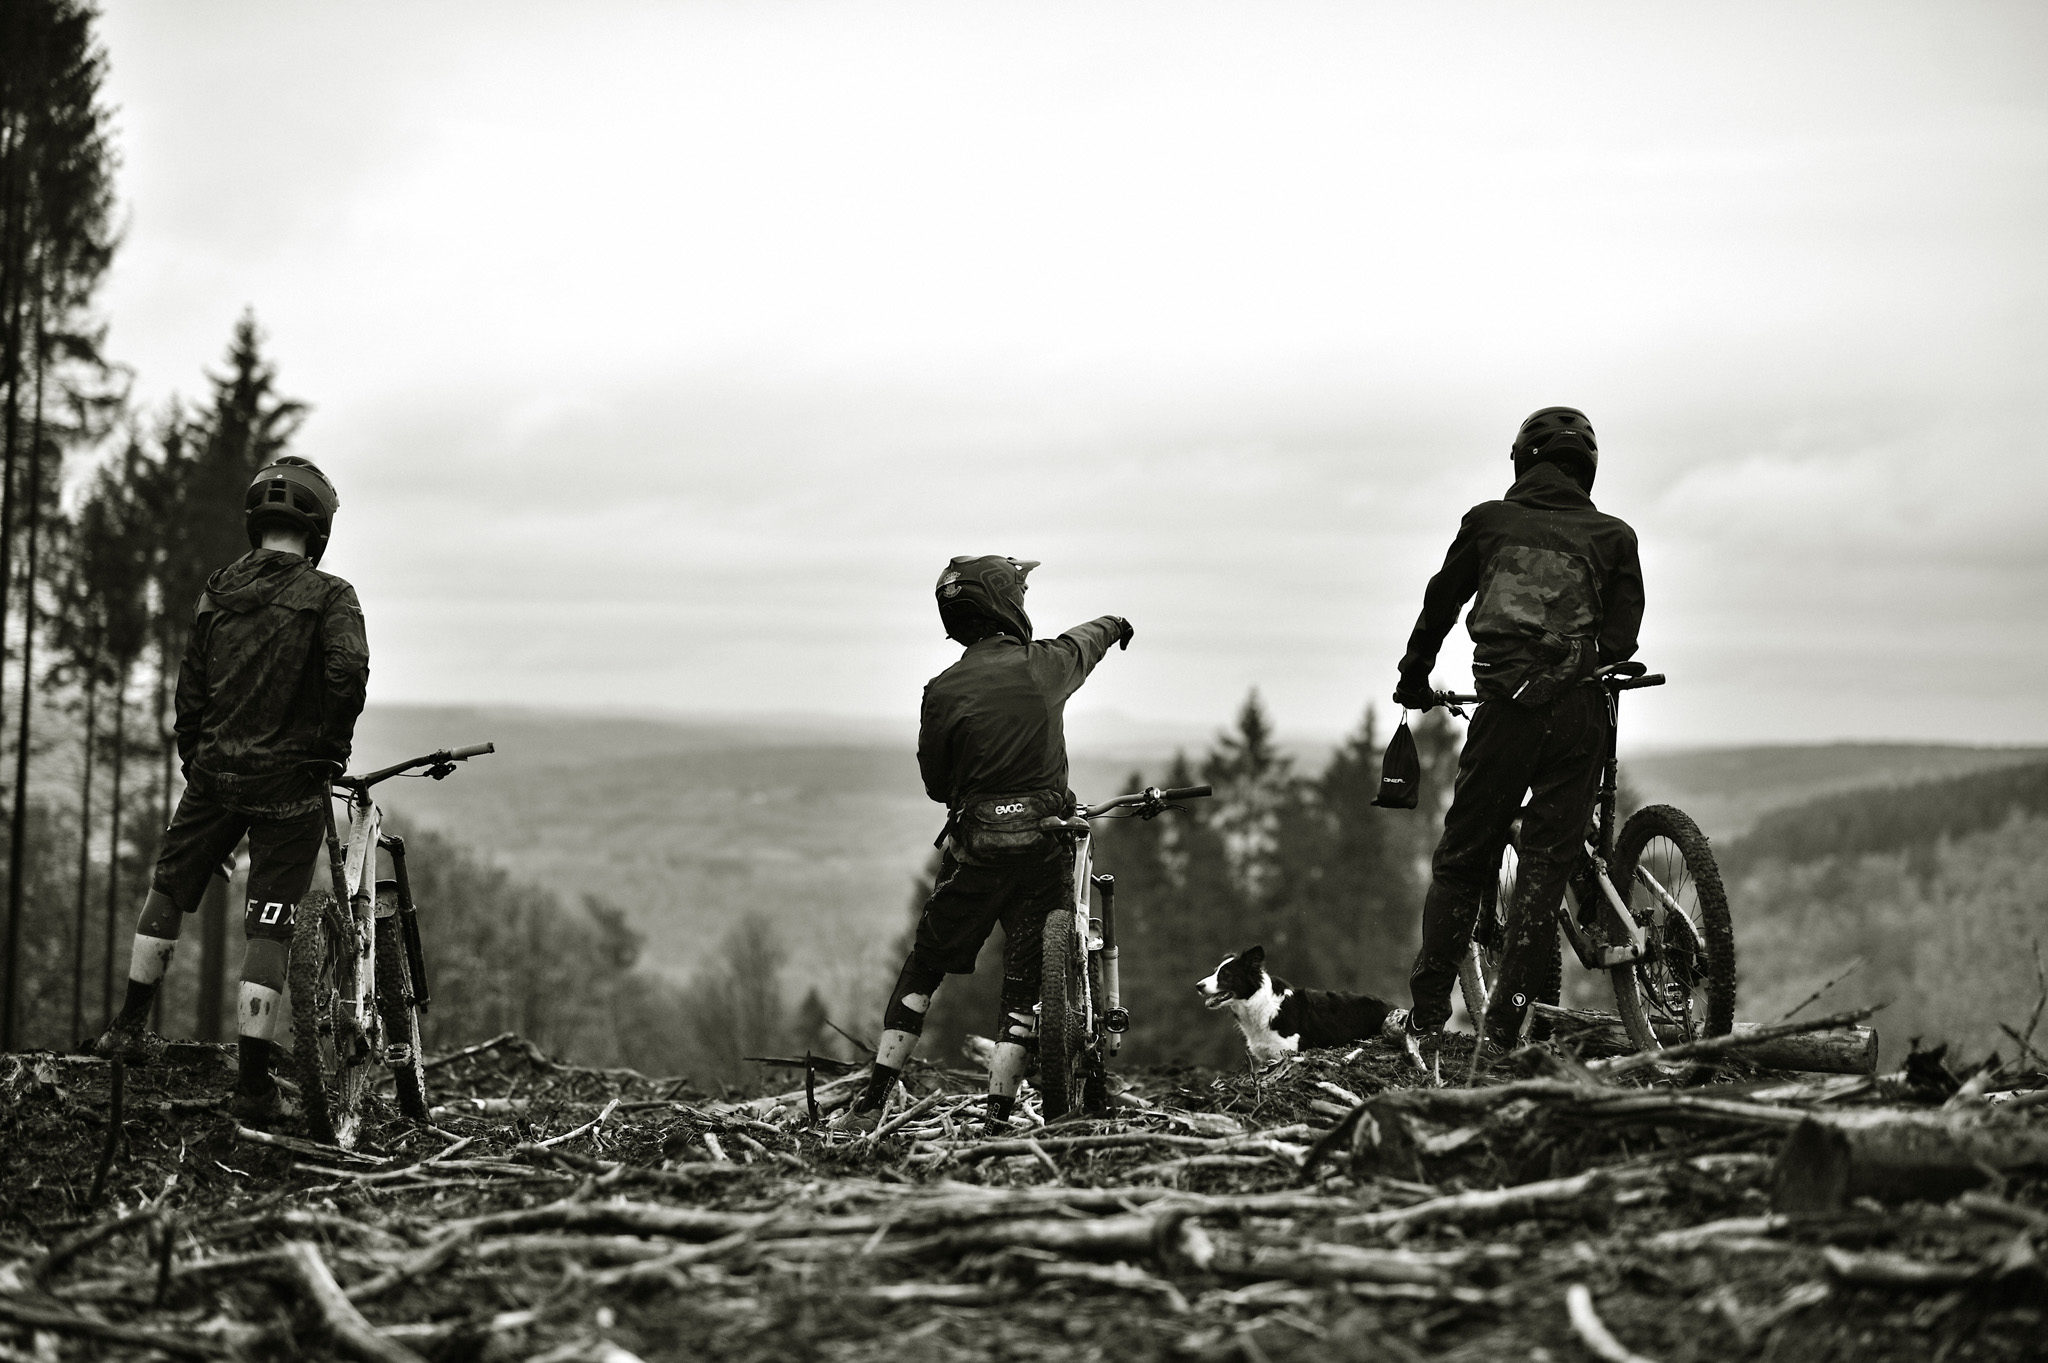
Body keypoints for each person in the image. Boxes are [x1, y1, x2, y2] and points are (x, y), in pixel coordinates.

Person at [93, 456, 370, 1122]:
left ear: (257, 520)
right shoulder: (332, 595)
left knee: (170, 887)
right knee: (270, 923)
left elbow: (190, 686)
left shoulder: (219, 588)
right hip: (293, 782)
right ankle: (251, 1083)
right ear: (319, 528)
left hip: (214, 772)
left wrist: (198, 758)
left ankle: (127, 1029)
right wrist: (328, 751)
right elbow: (348, 672)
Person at [842, 555, 1131, 1132]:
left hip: (977, 846)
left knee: (926, 964)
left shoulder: (942, 690)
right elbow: (1085, 640)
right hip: (1044, 844)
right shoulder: (1043, 665)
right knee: (1025, 978)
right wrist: (1116, 622)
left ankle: (872, 1098)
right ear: (1008, 603)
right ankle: (999, 1111)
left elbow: (934, 785)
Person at [1391, 407, 1644, 1066]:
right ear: (1586, 469)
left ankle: (1425, 1017)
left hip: (1507, 712)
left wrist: (1413, 678)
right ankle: (1506, 1032)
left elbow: (1440, 604)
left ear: (1522, 461)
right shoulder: (1615, 536)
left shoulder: (1489, 523)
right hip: (1581, 716)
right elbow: (1621, 637)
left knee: (1464, 859)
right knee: (1543, 871)